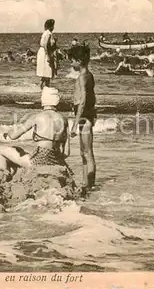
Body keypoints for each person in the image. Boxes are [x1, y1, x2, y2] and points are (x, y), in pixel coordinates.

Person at [0, 86, 70, 176]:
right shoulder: (64, 120)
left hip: (39, 161)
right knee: (20, 150)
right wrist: (53, 158)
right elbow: (66, 153)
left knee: (0, 150)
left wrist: (8, 133)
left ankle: (3, 180)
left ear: (43, 100)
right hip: (57, 161)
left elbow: (14, 136)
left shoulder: (36, 117)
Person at [68, 44, 96, 196]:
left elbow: (83, 100)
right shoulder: (89, 75)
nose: (70, 62)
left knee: (87, 153)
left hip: (84, 117)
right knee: (83, 153)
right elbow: (92, 98)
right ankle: (86, 184)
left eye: (72, 59)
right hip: (88, 116)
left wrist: (74, 124)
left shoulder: (81, 78)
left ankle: (90, 185)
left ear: (79, 61)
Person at [36, 19, 57, 90]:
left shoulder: (45, 32)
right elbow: (46, 45)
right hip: (45, 53)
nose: (54, 27)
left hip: (43, 52)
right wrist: (48, 56)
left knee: (46, 72)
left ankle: (43, 88)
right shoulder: (48, 33)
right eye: (53, 25)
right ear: (51, 26)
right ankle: (44, 88)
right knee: (48, 71)